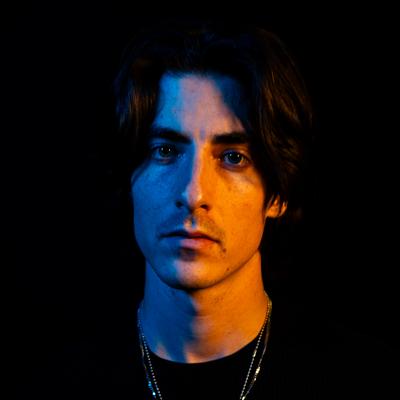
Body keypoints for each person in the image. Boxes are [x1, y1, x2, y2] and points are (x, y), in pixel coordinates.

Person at [24, 17, 394, 400]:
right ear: (128, 176)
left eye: (233, 157)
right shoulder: (59, 386)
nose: (193, 192)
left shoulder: (364, 382)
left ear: (279, 194)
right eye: (165, 151)